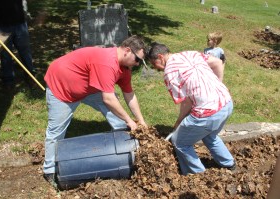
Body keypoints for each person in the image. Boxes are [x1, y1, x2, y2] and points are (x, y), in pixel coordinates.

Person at [43, 35, 148, 187]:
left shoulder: (124, 69)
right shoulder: (107, 63)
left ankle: (122, 146)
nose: (138, 64)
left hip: (89, 87)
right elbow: (108, 99)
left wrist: (141, 121)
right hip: (62, 87)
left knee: (116, 112)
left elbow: (129, 95)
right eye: (137, 59)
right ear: (127, 50)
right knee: (56, 132)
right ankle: (49, 170)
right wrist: (130, 121)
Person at [147, 42, 235, 175]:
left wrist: (178, 123)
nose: (156, 68)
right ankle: (230, 164)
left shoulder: (170, 72)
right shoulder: (190, 53)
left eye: (154, 64)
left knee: (179, 142)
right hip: (227, 102)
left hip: (208, 113)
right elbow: (217, 62)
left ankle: (198, 176)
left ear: (160, 57)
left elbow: (186, 103)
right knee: (209, 135)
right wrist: (216, 86)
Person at [0, 0, 35, 89]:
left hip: (19, 22)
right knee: (5, 53)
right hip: (1, 24)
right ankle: (8, 79)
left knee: (25, 51)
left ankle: (30, 75)